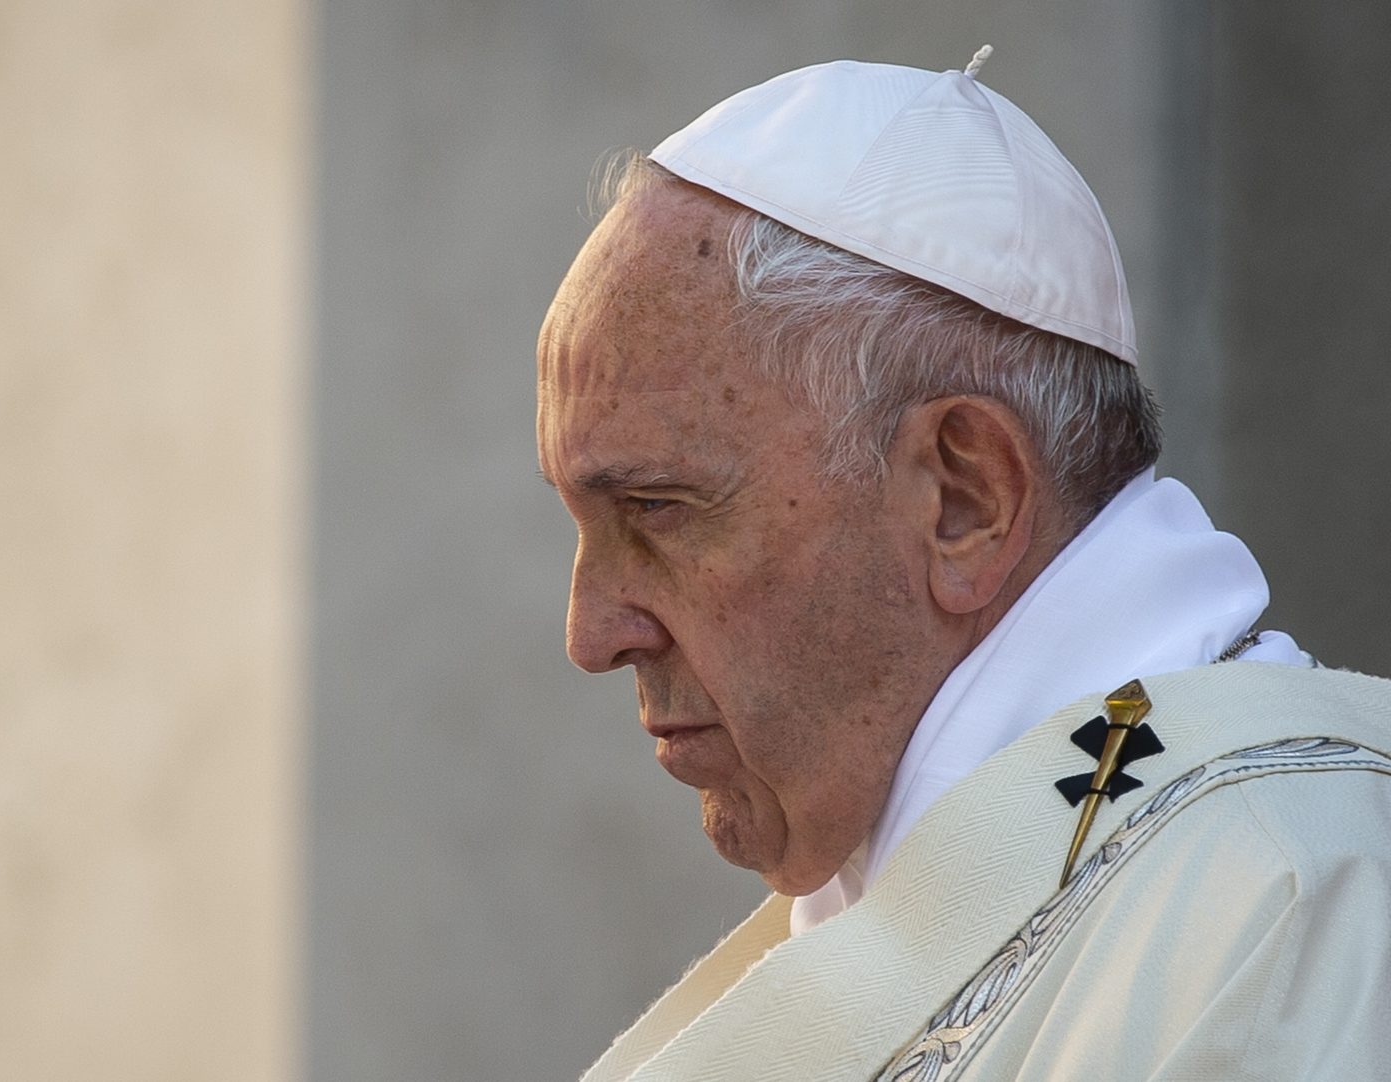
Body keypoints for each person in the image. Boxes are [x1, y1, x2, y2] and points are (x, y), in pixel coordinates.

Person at [538, 50, 1391, 1080]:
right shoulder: (909, 896)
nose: (592, 632)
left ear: (964, 497)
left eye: (656, 509)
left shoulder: (1292, 903)